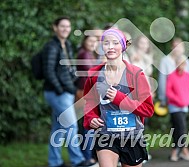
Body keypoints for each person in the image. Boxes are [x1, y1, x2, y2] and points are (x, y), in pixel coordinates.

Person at [83, 28, 154, 167]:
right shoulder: (94, 75)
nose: (110, 47)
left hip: (132, 137)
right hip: (106, 135)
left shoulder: (136, 74)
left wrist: (119, 99)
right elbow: (89, 104)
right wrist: (90, 118)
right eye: (106, 43)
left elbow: (148, 109)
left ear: (123, 46)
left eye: (115, 43)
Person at [43, 16, 88, 167]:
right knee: (71, 125)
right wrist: (61, 89)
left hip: (66, 92)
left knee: (58, 127)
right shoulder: (51, 46)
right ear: (55, 27)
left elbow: (67, 69)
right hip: (57, 93)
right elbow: (48, 71)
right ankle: (78, 160)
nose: (65, 29)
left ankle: (54, 161)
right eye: (62, 26)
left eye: (68, 27)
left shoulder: (67, 45)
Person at [75, 34, 101, 166]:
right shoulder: (84, 54)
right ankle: (87, 158)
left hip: (89, 93)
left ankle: (90, 157)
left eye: (94, 41)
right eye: (90, 40)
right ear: (84, 41)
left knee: (90, 127)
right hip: (84, 94)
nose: (92, 43)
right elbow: (91, 72)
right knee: (88, 126)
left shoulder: (90, 54)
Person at [166, 55, 189, 161]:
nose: (181, 66)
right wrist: (178, 101)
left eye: (183, 64)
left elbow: (188, 88)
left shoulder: (187, 75)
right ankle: (184, 150)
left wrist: (187, 101)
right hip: (175, 107)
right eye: (179, 63)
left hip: (184, 106)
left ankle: (175, 152)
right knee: (182, 128)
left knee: (177, 130)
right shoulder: (171, 76)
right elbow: (169, 92)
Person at [158, 38, 189, 110]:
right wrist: (163, 98)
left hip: (184, 99)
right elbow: (162, 81)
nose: (177, 49)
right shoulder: (165, 61)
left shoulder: (186, 61)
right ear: (172, 48)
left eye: (179, 47)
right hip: (171, 99)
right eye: (175, 46)